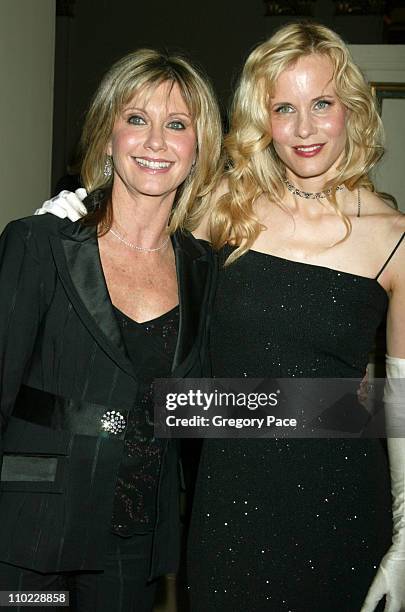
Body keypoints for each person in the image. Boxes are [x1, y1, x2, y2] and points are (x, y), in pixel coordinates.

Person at [36, 23, 405, 612]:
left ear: (353, 111)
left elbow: (403, 405)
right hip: (229, 502)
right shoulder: (222, 208)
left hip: (343, 504)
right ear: (263, 119)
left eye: (322, 104)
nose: (305, 128)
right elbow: (133, 288)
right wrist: (73, 223)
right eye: (284, 107)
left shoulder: (396, 240)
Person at [0, 48, 222, 611]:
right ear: (107, 136)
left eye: (177, 125)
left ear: (197, 150)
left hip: (136, 541)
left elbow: (203, 409)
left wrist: (362, 410)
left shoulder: (207, 269)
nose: (155, 142)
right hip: (28, 534)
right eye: (136, 119)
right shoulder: (40, 243)